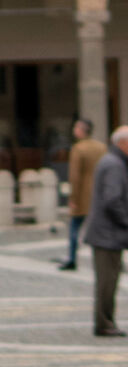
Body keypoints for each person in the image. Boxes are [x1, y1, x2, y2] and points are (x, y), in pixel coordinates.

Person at [83, 121, 128, 335]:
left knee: (108, 280)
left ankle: (105, 321)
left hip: (107, 233)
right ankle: (104, 323)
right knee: (107, 283)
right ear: (123, 143)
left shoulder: (113, 161)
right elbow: (113, 200)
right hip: (107, 234)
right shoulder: (114, 165)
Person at [62, 118, 106, 271]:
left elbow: (75, 176)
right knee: (101, 229)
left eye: (76, 127)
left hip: (82, 196)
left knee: (74, 228)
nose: (74, 129)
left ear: (81, 130)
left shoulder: (78, 149)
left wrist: (73, 198)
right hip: (99, 194)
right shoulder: (101, 147)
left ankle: (72, 258)